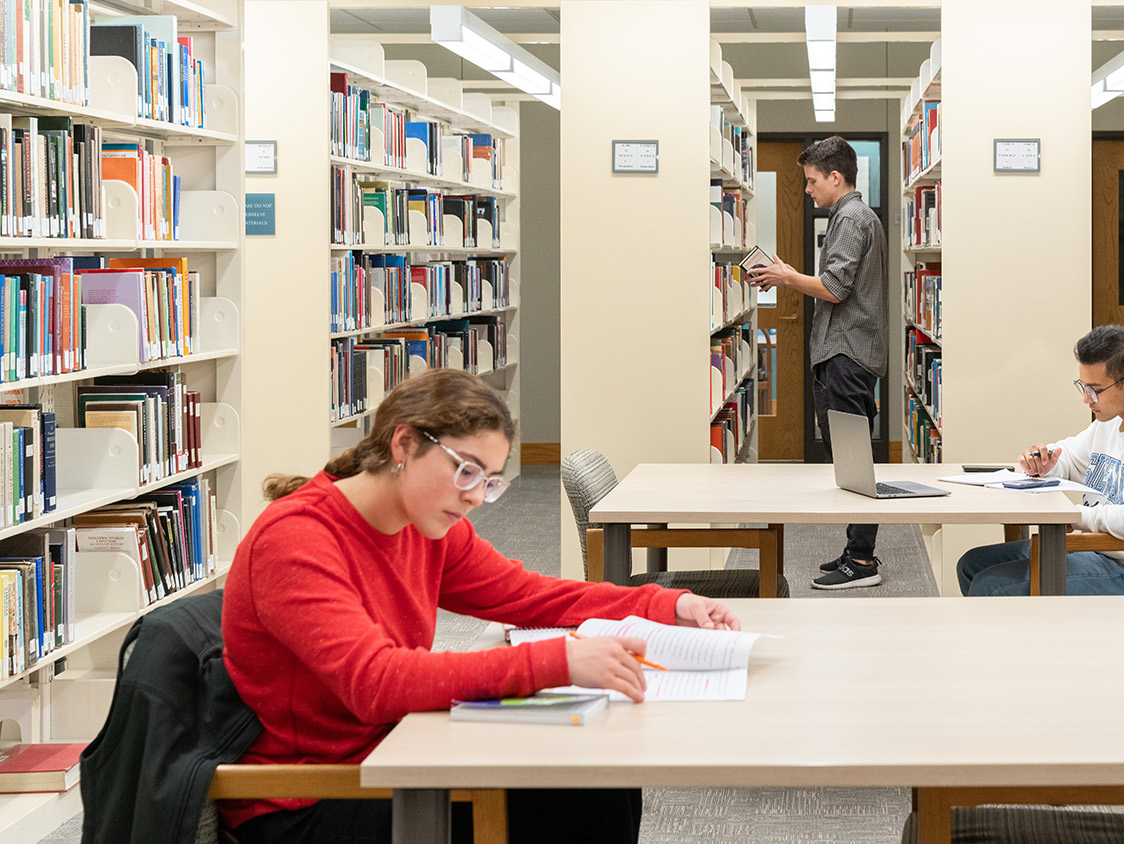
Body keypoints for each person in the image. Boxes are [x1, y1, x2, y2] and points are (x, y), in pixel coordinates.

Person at [220, 368, 740, 844]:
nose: (474, 497)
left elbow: (531, 595)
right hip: (313, 798)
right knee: (580, 797)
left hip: (402, 751)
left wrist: (665, 603)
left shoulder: (424, 523)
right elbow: (375, 683)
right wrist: (558, 662)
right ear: (403, 443)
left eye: (488, 482)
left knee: (599, 767)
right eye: (466, 471)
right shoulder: (296, 540)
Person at [958, 325, 1124, 597]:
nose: (1086, 399)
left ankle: (1024, 637)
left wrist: (1080, 518)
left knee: (992, 586)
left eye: (1095, 389)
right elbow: (1069, 458)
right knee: (971, 565)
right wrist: (1043, 462)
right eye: (1084, 387)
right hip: (1097, 550)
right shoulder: (1112, 421)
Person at [749, 135, 889, 590]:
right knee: (848, 457)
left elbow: (834, 288)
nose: (807, 189)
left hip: (847, 353)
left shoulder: (851, 217)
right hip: (845, 350)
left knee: (853, 458)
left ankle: (863, 562)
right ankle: (856, 550)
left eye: (812, 181)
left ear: (835, 176)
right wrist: (788, 276)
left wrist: (788, 278)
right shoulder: (851, 216)